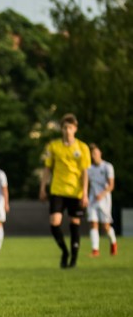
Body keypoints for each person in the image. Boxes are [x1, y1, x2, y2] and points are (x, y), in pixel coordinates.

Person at [39, 113, 90, 269]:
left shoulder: (82, 148)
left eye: (70, 127)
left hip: (75, 192)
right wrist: (42, 187)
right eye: (65, 127)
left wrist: (85, 193)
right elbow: (47, 168)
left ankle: (73, 260)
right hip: (58, 190)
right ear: (61, 129)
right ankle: (64, 251)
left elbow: (84, 173)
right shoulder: (54, 146)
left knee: (74, 224)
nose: (67, 130)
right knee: (54, 223)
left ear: (75, 129)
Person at [87, 144, 118, 258]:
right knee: (93, 223)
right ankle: (95, 250)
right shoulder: (88, 169)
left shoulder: (107, 167)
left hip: (104, 199)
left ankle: (113, 242)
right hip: (92, 199)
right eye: (92, 154)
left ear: (100, 153)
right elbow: (87, 184)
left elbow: (111, 185)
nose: (93, 156)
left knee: (105, 226)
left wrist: (102, 194)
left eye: (95, 153)